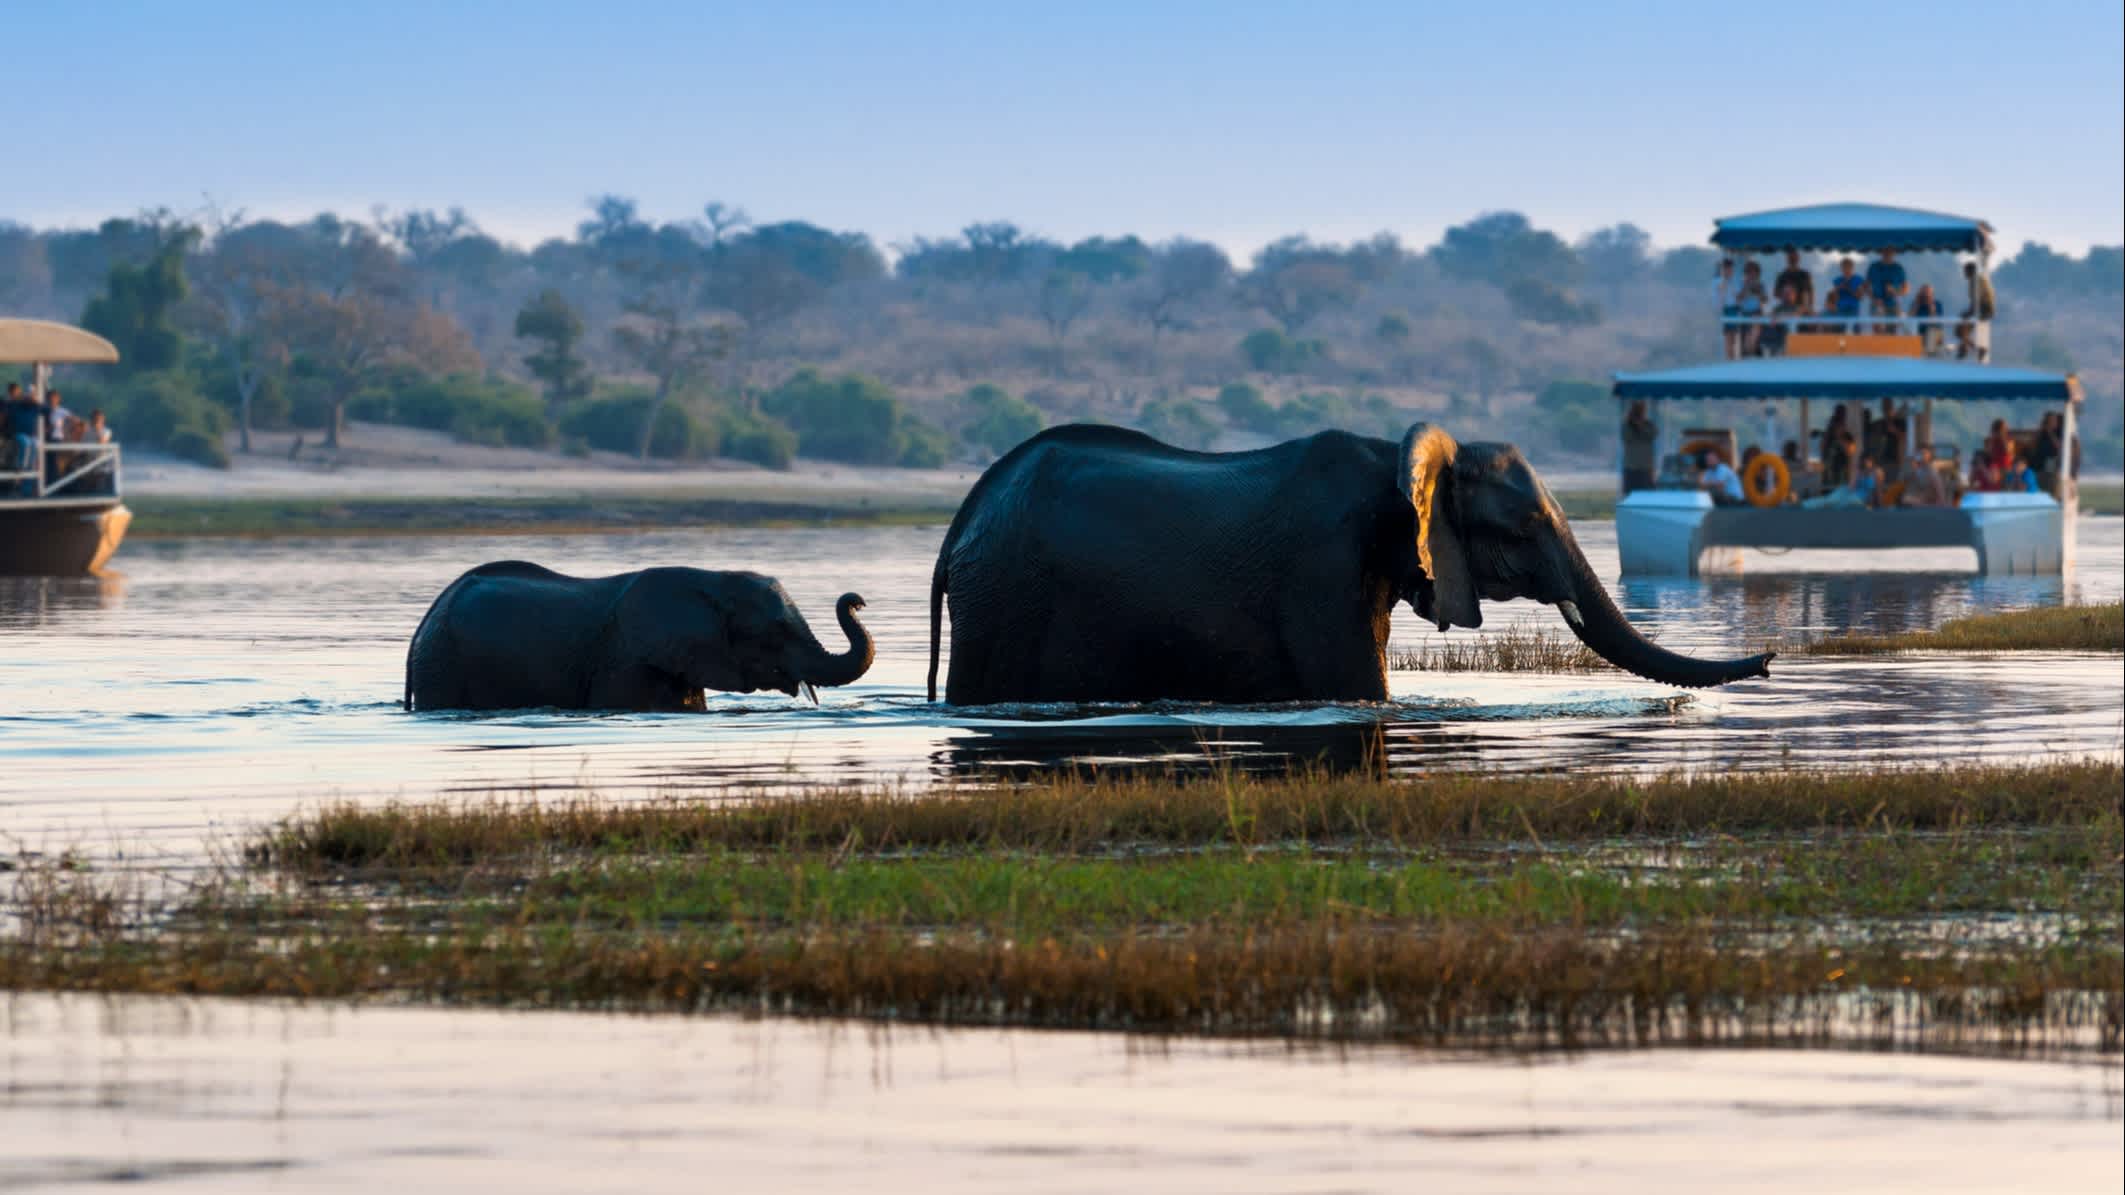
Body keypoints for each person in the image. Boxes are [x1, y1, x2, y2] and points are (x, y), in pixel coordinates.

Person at [4, 382, 43, 492]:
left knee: (34, 444)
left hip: (23, 437)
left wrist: (34, 401)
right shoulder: (9, 403)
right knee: (25, 443)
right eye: (15, 392)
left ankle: (26, 488)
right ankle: (21, 467)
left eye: (18, 391)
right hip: (12, 435)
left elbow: (41, 408)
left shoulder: (24, 403)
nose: (17, 393)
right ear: (10, 392)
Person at [1956, 262, 1995, 361]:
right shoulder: (1977, 279)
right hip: (1984, 308)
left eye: (1965, 271)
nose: (1963, 273)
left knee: (1961, 328)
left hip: (1984, 309)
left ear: (1969, 271)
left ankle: (1965, 348)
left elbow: (1976, 300)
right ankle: (1971, 348)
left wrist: (1968, 313)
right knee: (1960, 330)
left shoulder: (1975, 281)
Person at [1864, 249, 1908, 333]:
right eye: (1885, 251)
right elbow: (1865, 286)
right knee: (1878, 331)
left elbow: (1905, 289)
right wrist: (1874, 299)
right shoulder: (1874, 267)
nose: (1887, 253)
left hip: (1893, 305)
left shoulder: (1898, 268)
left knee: (1892, 331)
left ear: (1894, 253)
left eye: (1890, 251)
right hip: (1877, 305)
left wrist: (1895, 292)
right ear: (1881, 252)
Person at [1621, 400, 1658, 494]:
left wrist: (1640, 426)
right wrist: (1633, 424)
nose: (1639, 412)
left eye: (1641, 409)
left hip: (1645, 467)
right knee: (1629, 493)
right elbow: (1626, 437)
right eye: (1636, 409)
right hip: (1631, 466)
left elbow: (1653, 434)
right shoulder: (1627, 426)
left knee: (1647, 493)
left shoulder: (1649, 425)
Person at [1733, 261, 1769, 355]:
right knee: (1744, 339)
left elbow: (1765, 300)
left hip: (1757, 313)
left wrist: (1758, 292)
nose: (1752, 275)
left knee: (1756, 338)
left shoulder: (1760, 285)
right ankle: (1746, 355)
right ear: (1746, 273)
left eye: (1754, 273)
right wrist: (1746, 288)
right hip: (1744, 313)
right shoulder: (1741, 284)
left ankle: (1755, 353)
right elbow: (1737, 299)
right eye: (1749, 272)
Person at [1828, 258, 1869, 328]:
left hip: (1853, 309)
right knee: (1840, 330)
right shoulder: (1837, 280)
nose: (1846, 269)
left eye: (1848, 267)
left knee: (1855, 330)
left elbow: (1860, 297)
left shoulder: (1858, 279)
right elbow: (1833, 297)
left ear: (1852, 268)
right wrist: (1838, 288)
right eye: (1844, 267)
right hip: (1841, 309)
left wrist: (1849, 289)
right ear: (1841, 268)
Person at [1774, 248, 1814, 314]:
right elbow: (1776, 293)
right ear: (1787, 259)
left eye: (1794, 257)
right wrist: (1788, 294)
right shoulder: (1782, 275)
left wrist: (1809, 308)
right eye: (1790, 257)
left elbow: (1811, 293)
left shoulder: (1805, 275)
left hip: (1801, 309)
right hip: (1785, 309)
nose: (1792, 259)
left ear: (1798, 259)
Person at [1910, 283, 1946, 353]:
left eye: (1928, 294)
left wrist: (1930, 306)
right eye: (1924, 294)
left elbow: (1936, 321)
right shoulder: (1915, 304)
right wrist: (1917, 304)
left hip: (1933, 332)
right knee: (1910, 332)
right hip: (1919, 332)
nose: (1925, 296)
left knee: (1932, 332)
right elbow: (1910, 319)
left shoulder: (1937, 304)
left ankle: (1930, 354)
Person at [1716, 258, 1740, 359]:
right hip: (1725, 310)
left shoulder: (1736, 282)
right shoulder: (1718, 282)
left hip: (1735, 309)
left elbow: (1738, 297)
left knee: (1734, 338)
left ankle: (1733, 358)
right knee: (1727, 337)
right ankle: (1728, 358)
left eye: (1729, 269)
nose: (1727, 271)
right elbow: (1719, 299)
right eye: (1725, 269)